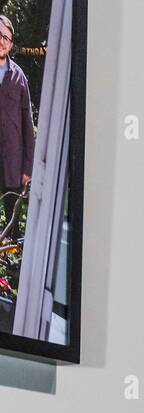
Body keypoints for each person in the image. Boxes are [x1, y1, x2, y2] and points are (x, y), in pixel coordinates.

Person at [0, 14, 35, 243]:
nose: (2, 41)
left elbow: (28, 122)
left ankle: (10, 270)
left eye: (6, 37)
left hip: (12, 160)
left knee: (12, 223)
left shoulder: (19, 77)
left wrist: (27, 166)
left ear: (11, 43)